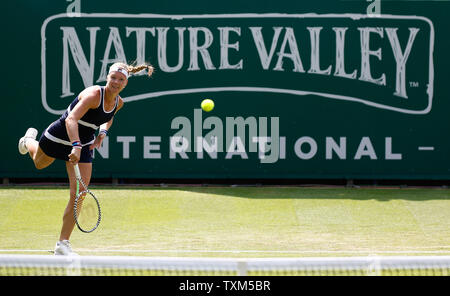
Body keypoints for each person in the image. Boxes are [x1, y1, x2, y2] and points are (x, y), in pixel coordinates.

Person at [18, 62, 154, 255]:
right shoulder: (93, 95)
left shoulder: (119, 102)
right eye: (113, 77)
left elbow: (109, 116)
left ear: (125, 84)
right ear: (107, 77)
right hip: (61, 134)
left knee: (80, 192)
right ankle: (28, 141)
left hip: (85, 141)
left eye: (121, 80)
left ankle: (62, 244)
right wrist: (75, 145)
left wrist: (102, 133)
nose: (116, 82)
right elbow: (70, 120)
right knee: (39, 163)